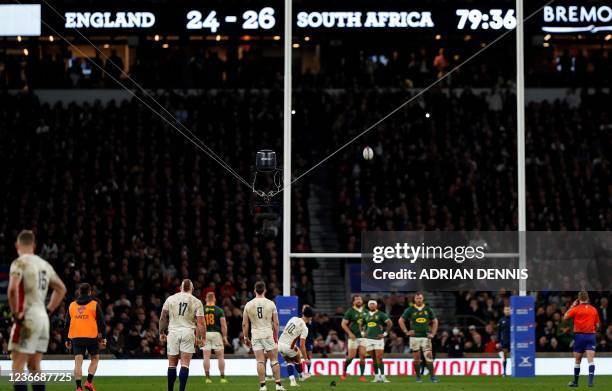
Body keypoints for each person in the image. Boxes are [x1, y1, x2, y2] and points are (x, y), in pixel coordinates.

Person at [8, 230, 67, 391]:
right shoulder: (44, 264)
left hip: (27, 317)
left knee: (17, 367)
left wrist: (15, 314)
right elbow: (61, 288)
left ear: (17, 245)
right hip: (43, 319)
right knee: (35, 366)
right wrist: (48, 310)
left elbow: (12, 290)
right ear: (34, 245)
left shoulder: (20, 263)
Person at [159, 279, 206, 391]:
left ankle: (170, 389)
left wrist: (161, 332)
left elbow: (163, 317)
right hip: (188, 332)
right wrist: (201, 338)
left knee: (172, 364)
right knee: (185, 364)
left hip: (173, 332)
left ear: (180, 288)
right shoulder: (196, 301)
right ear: (192, 289)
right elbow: (201, 323)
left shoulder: (170, 299)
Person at [242, 281, 285, 391]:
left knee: (260, 361)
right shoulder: (271, 303)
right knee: (274, 360)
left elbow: (245, 324)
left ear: (254, 291)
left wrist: (245, 337)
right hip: (267, 333)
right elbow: (276, 323)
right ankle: (278, 385)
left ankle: (263, 386)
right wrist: (275, 336)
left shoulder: (248, 304)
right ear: (265, 290)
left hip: (255, 334)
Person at [64, 283, 107, 391]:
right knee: (95, 358)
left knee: (78, 362)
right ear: (89, 292)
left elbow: (67, 324)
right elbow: (101, 322)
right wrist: (104, 337)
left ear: (79, 292)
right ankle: (89, 381)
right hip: (91, 337)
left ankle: (78, 387)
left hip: (76, 337)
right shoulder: (94, 304)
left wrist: (67, 339)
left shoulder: (72, 305)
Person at [398, 292, 439, 383]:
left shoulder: (428, 309)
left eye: (420, 298)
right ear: (414, 299)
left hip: (426, 337)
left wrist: (433, 333)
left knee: (429, 356)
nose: (419, 300)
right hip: (414, 337)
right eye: (417, 298)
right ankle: (418, 376)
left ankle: (432, 376)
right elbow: (401, 320)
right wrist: (406, 332)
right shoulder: (410, 309)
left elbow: (435, 321)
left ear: (423, 299)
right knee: (416, 358)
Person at [564, 291, 600, 388]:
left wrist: (572, 306)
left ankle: (575, 382)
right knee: (591, 360)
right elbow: (598, 325)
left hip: (579, 336)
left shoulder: (576, 309)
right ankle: (590, 382)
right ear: (587, 298)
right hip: (590, 336)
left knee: (577, 360)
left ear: (578, 298)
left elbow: (565, 317)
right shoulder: (593, 309)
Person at [277, 306, 314, 386]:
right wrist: (306, 359)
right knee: (298, 357)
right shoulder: (304, 328)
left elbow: (286, 331)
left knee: (289, 361)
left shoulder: (293, 318)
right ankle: (301, 375)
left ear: (303, 313)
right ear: (310, 317)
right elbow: (301, 344)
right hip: (288, 346)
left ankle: (293, 381)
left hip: (280, 343)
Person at [202, 292, 229, 384]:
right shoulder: (219, 310)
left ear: (206, 299)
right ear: (214, 299)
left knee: (206, 357)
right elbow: (223, 325)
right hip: (216, 334)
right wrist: (225, 337)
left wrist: (198, 336)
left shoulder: (202, 310)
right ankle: (222, 378)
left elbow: (199, 324)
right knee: (220, 357)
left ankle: (207, 378)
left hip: (205, 334)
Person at [362, 299, 392, 383]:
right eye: (370, 304)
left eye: (373, 304)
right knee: (373, 359)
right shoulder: (365, 315)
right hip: (368, 339)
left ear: (376, 305)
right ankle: (376, 377)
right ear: (368, 306)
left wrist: (385, 334)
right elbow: (361, 324)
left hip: (378, 339)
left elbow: (390, 323)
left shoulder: (381, 314)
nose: (372, 305)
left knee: (379, 357)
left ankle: (383, 377)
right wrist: (362, 332)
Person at [340, 295, 367, 381]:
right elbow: (343, 324)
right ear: (353, 302)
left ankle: (362, 376)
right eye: (357, 300)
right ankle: (344, 372)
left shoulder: (366, 311)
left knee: (363, 355)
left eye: (360, 299)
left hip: (363, 337)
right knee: (351, 357)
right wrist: (350, 333)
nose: (359, 301)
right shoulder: (350, 311)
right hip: (353, 337)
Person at [496, 306, 511, 377]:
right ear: (504, 311)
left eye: (508, 310)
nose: (507, 311)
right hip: (505, 341)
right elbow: (498, 332)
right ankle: (504, 372)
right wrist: (498, 342)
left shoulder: (514, 319)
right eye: (506, 310)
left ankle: (517, 371)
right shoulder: (501, 320)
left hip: (513, 341)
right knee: (505, 357)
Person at [301, 304, 314, 375]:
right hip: (301, 339)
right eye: (304, 308)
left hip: (308, 339)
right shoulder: (300, 318)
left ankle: (308, 371)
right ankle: (300, 372)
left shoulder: (310, 319)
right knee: (299, 355)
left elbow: (312, 329)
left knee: (309, 355)